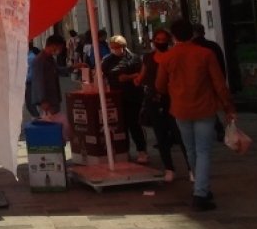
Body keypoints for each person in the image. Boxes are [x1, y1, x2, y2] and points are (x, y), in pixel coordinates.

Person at [156, 19, 237, 211]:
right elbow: (219, 83)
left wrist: (175, 88)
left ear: (173, 36)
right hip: (204, 108)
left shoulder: (167, 57)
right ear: (192, 34)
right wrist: (228, 107)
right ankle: (201, 192)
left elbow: (159, 86)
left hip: (181, 109)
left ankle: (200, 187)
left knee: (191, 149)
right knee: (203, 150)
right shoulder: (205, 54)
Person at [134, 28, 189, 183]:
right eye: (157, 39)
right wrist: (137, 79)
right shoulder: (148, 57)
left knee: (179, 133)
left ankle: (191, 168)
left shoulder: (174, 56)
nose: (160, 42)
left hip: (173, 99)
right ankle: (169, 168)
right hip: (154, 100)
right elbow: (142, 75)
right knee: (161, 135)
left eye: (163, 39)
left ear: (169, 40)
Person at [101, 35, 148, 164]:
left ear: (123, 46)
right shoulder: (107, 60)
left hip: (133, 96)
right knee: (121, 125)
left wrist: (128, 77)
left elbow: (141, 75)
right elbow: (101, 75)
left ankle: (142, 150)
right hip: (115, 97)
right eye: (112, 47)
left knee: (134, 124)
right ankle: (124, 151)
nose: (115, 50)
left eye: (117, 47)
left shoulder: (133, 58)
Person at [25, 44, 41, 118]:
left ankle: (37, 118)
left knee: (30, 103)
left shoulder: (30, 58)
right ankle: (37, 117)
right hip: (33, 83)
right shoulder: (31, 57)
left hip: (31, 83)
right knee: (31, 103)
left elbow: (31, 75)